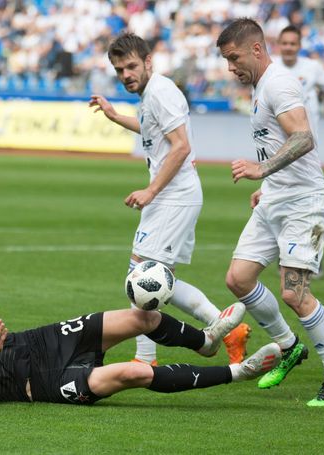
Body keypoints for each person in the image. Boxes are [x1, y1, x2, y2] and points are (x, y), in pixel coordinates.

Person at [0, 278, 281, 404]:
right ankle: (235, 372)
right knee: (134, 372)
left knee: (143, 317)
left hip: (41, 340)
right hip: (38, 383)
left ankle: (205, 341)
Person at [88, 32, 250, 366]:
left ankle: (146, 358)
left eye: (131, 66)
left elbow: (181, 146)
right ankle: (225, 327)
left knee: (142, 277)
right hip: (172, 196)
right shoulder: (150, 94)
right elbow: (154, 131)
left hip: (174, 197)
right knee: (154, 279)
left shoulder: (161, 92)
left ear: (148, 61)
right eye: (119, 70)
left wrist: (150, 191)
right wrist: (115, 116)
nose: (125, 75)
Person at [216, 18, 324, 407]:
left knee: (294, 292)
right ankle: (289, 347)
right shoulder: (261, 86)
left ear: (256, 49)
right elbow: (277, 143)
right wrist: (267, 184)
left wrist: (262, 169)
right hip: (275, 197)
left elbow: (304, 137)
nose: (230, 68)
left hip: (304, 204)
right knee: (238, 278)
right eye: (226, 60)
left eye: (234, 58)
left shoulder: (279, 83)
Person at [273, 24, 324, 278]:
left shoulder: (312, 68)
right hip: (278, 148)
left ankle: (315, 255)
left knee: (311, 201)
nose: (289, 48)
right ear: (279, 45)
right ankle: (288, 255)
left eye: (293, 43)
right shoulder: (272, 70)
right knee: (279, 201)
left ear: (299, 46)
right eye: (285, 43)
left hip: (306, 149)